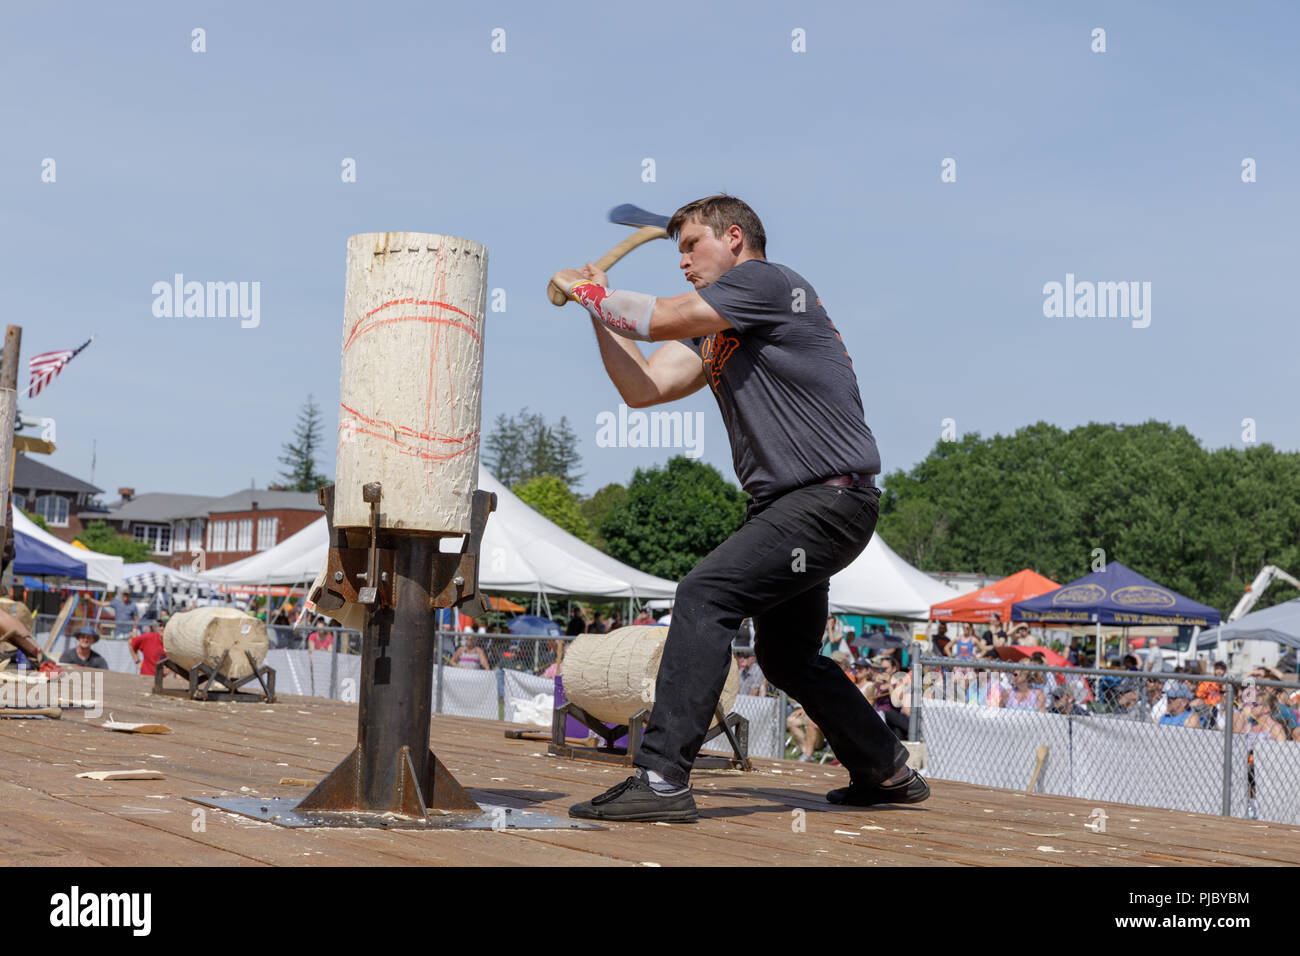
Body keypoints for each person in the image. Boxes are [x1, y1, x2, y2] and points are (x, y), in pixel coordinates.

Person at [557, 195, 921, 822]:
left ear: (733, 238)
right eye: (676, 251)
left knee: (705, 594)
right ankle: (883, 768)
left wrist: (593, 295)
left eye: (690, 246)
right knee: (786, 656)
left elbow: (660, 317)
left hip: (824, 500)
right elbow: (643, 387)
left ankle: (664, 778)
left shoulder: (765, 282)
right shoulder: (718, 327)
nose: (683, 263)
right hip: (800, 507)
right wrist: (599, 310)